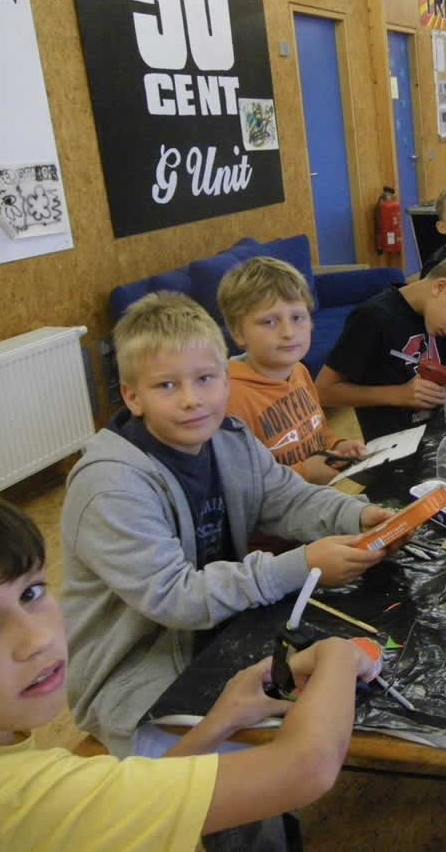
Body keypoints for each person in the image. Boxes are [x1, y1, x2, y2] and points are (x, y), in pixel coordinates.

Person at [61, 293, 396, 760]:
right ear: (133, 396)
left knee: (350, 683)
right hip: (139, 686)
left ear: (226, 378)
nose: (192, 400)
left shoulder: (231, 439)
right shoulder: (110, 486)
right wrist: (300, 565)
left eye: (205, 379)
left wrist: (357, 515)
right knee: (278, 764)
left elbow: (288, 497)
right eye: (167, 386)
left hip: (222, 636)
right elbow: (174, 597)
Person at [0, 492, 381, 852]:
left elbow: (141, 795)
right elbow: (305, 768)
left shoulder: (11, 750)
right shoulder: (24, 799)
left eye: (31, 593)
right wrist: (339, 654)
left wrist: (220, 720)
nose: (38, 639)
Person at [316, 251, 446, 440]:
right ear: (440, 287)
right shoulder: (373, 317)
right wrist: (398, 395)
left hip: (436, 434)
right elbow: (323, 392)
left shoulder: (436, 318)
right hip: (393, 445)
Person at [217, 257, 365, 484]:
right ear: (238, 333)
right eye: (269, 322)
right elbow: (241, 484)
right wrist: (304, 473)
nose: (288, 332)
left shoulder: (299, 371)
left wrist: (337, 446)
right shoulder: (230, 399)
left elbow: (318, 431)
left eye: (297, 318)